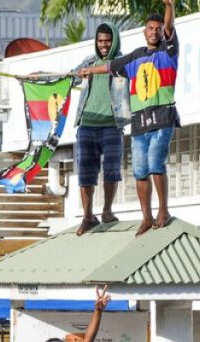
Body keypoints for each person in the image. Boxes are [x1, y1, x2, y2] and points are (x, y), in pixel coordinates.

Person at [78, 0, 179, 236]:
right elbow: (110, 66)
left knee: (155, 162)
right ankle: (147, 217)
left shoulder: (168, 52)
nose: (154, 32)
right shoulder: (134, 57)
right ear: (144, 32)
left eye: (158, 28)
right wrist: (88, 70)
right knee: (140, 170)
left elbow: (170, 27)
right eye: (150, 28)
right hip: (139, 123)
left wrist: (169, 7)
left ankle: (163, 211)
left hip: (162, 117)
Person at [70, 23, 130, 236]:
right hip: (87, 122)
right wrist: (40, 76)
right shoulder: (89, 61)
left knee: (112, 169)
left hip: (112, 124)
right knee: (86, 172)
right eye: (100, 41)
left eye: (107, 41)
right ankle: (88, 216)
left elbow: (114, 67)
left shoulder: (123, 61)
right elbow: (70, 77)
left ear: (114, 41)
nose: (104, 45)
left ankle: (107, 211)